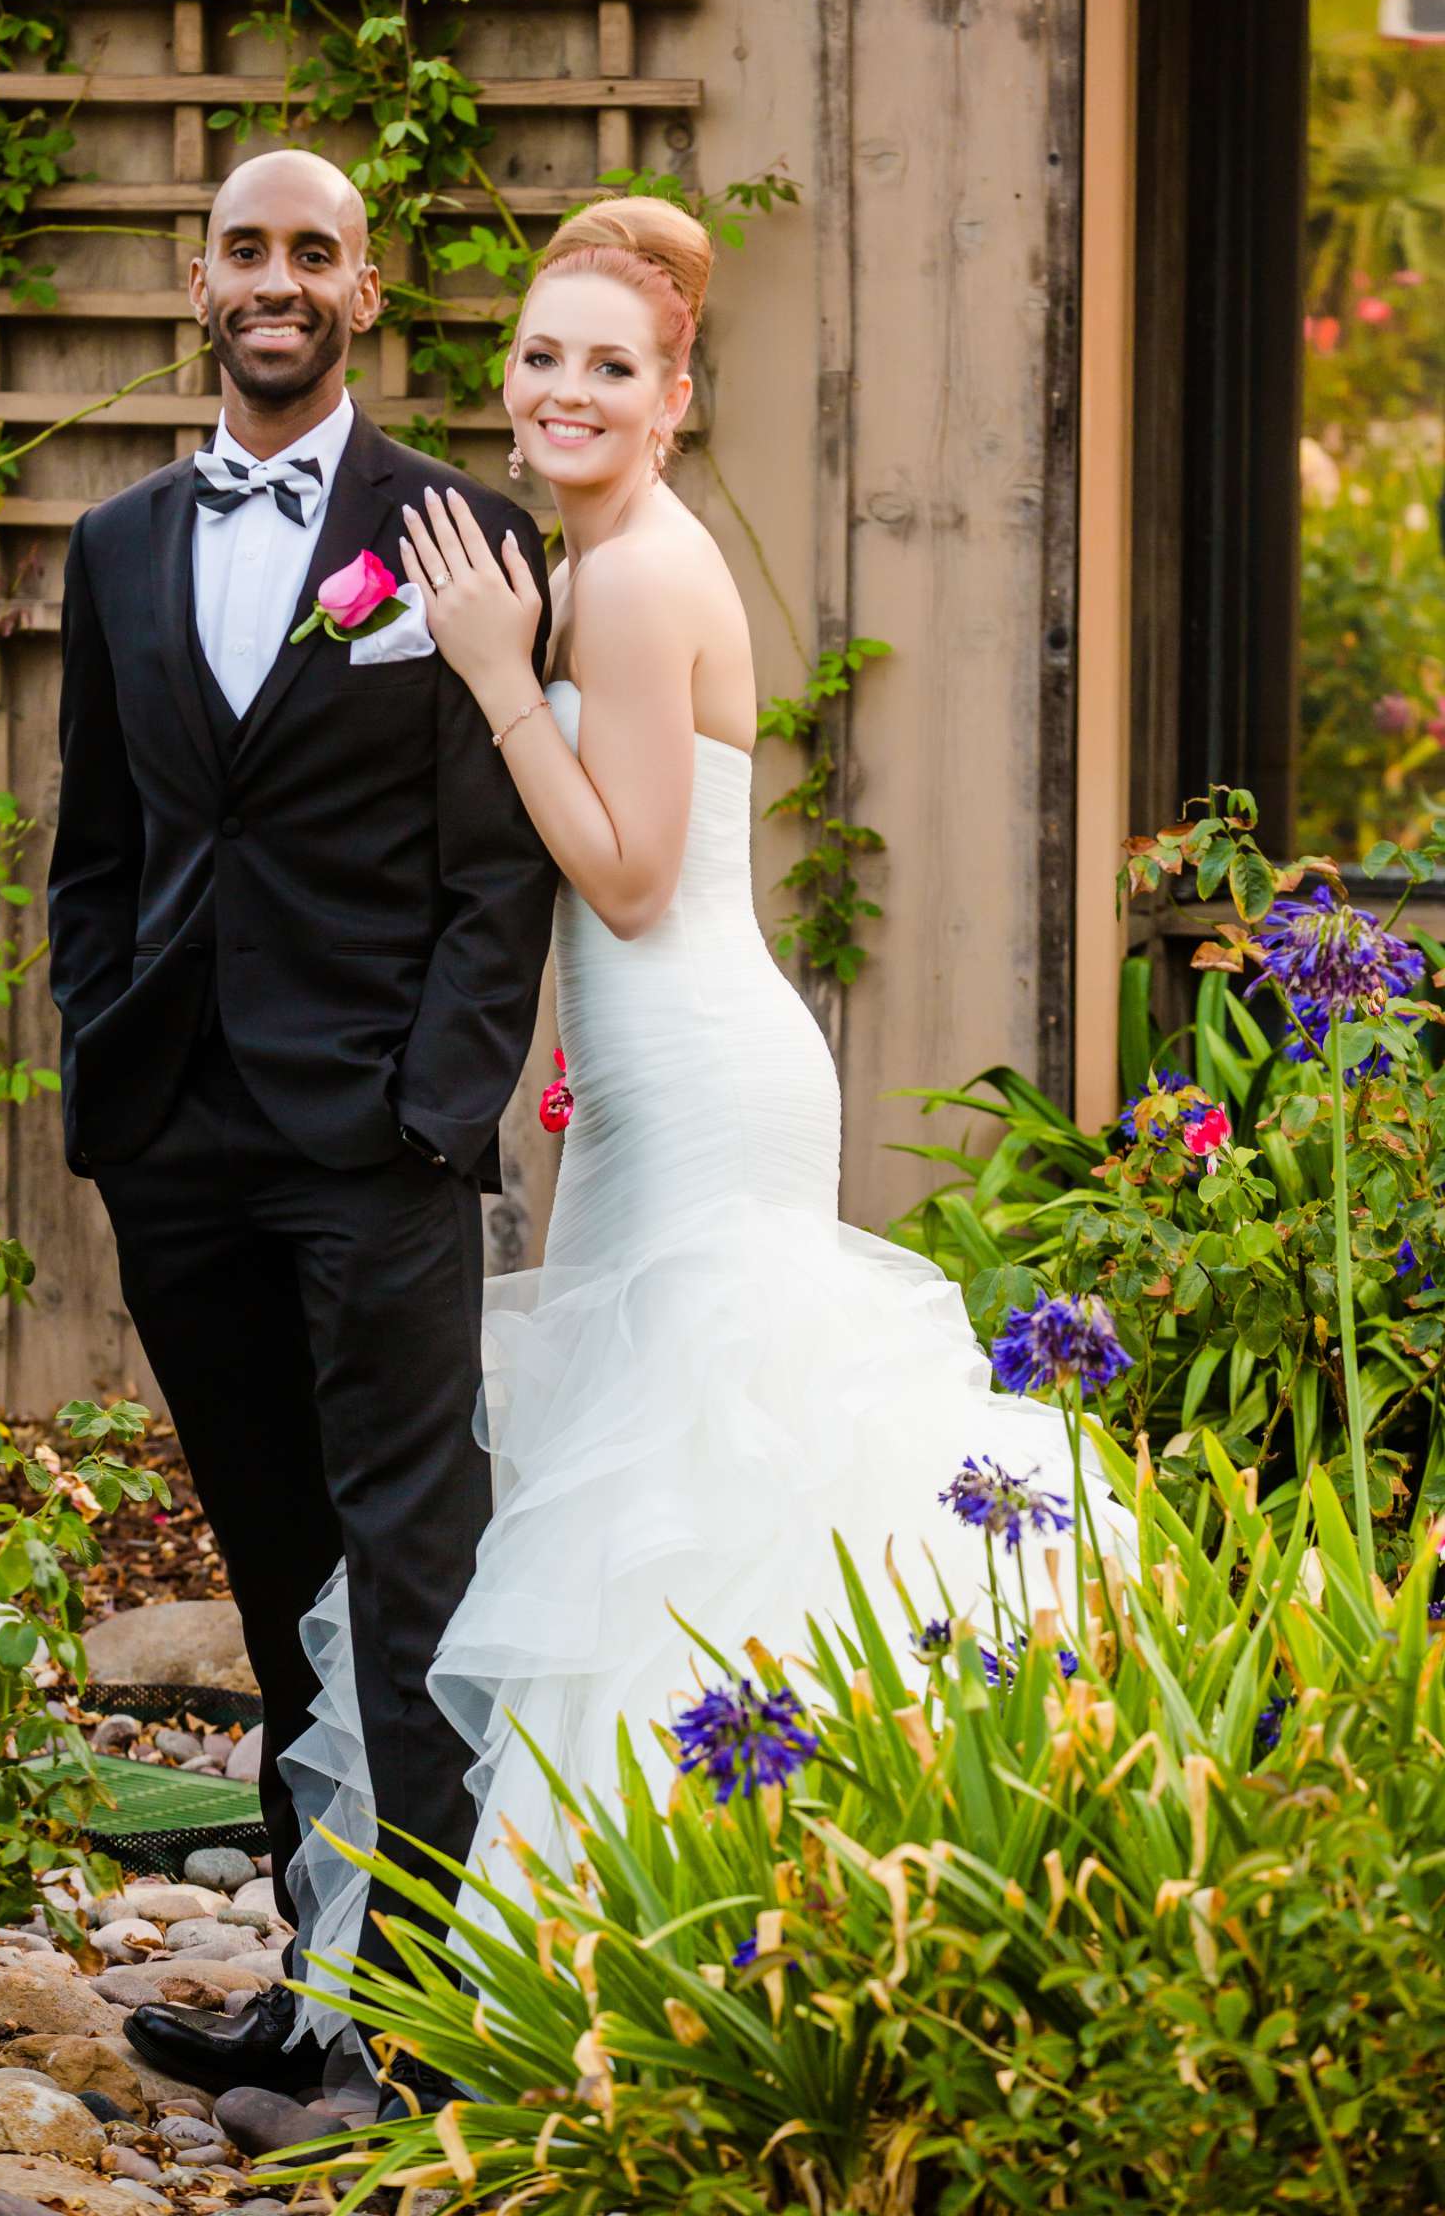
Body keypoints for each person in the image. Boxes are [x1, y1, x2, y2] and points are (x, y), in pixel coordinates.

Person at [283, 197, 1112, 2043]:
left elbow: (640, 881)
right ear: (511, 375)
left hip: (712, 1068)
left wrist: (499, 678)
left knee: (686, 1482)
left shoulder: (639, 577)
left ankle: (667, 1951)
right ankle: (634, 1960)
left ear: (675, 399)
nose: (566, 391)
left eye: (611, 367)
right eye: (542, 355)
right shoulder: (581, 561)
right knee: (633, 1477)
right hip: (643, 1078)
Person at [45, 148, 556, 2110]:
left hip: (377, 1143)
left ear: (363, 290)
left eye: (310, 253)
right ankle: (308, 1985)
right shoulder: (112, 546)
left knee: (406, 1578)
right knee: (276, 1573)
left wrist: (441, 1114)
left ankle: (411, 2034)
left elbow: (492, 872)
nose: (275, 278)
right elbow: (99, 846)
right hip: (180, 1140)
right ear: (201, 281)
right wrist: (107, 1066)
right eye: (244, 248)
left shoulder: (458, 536)